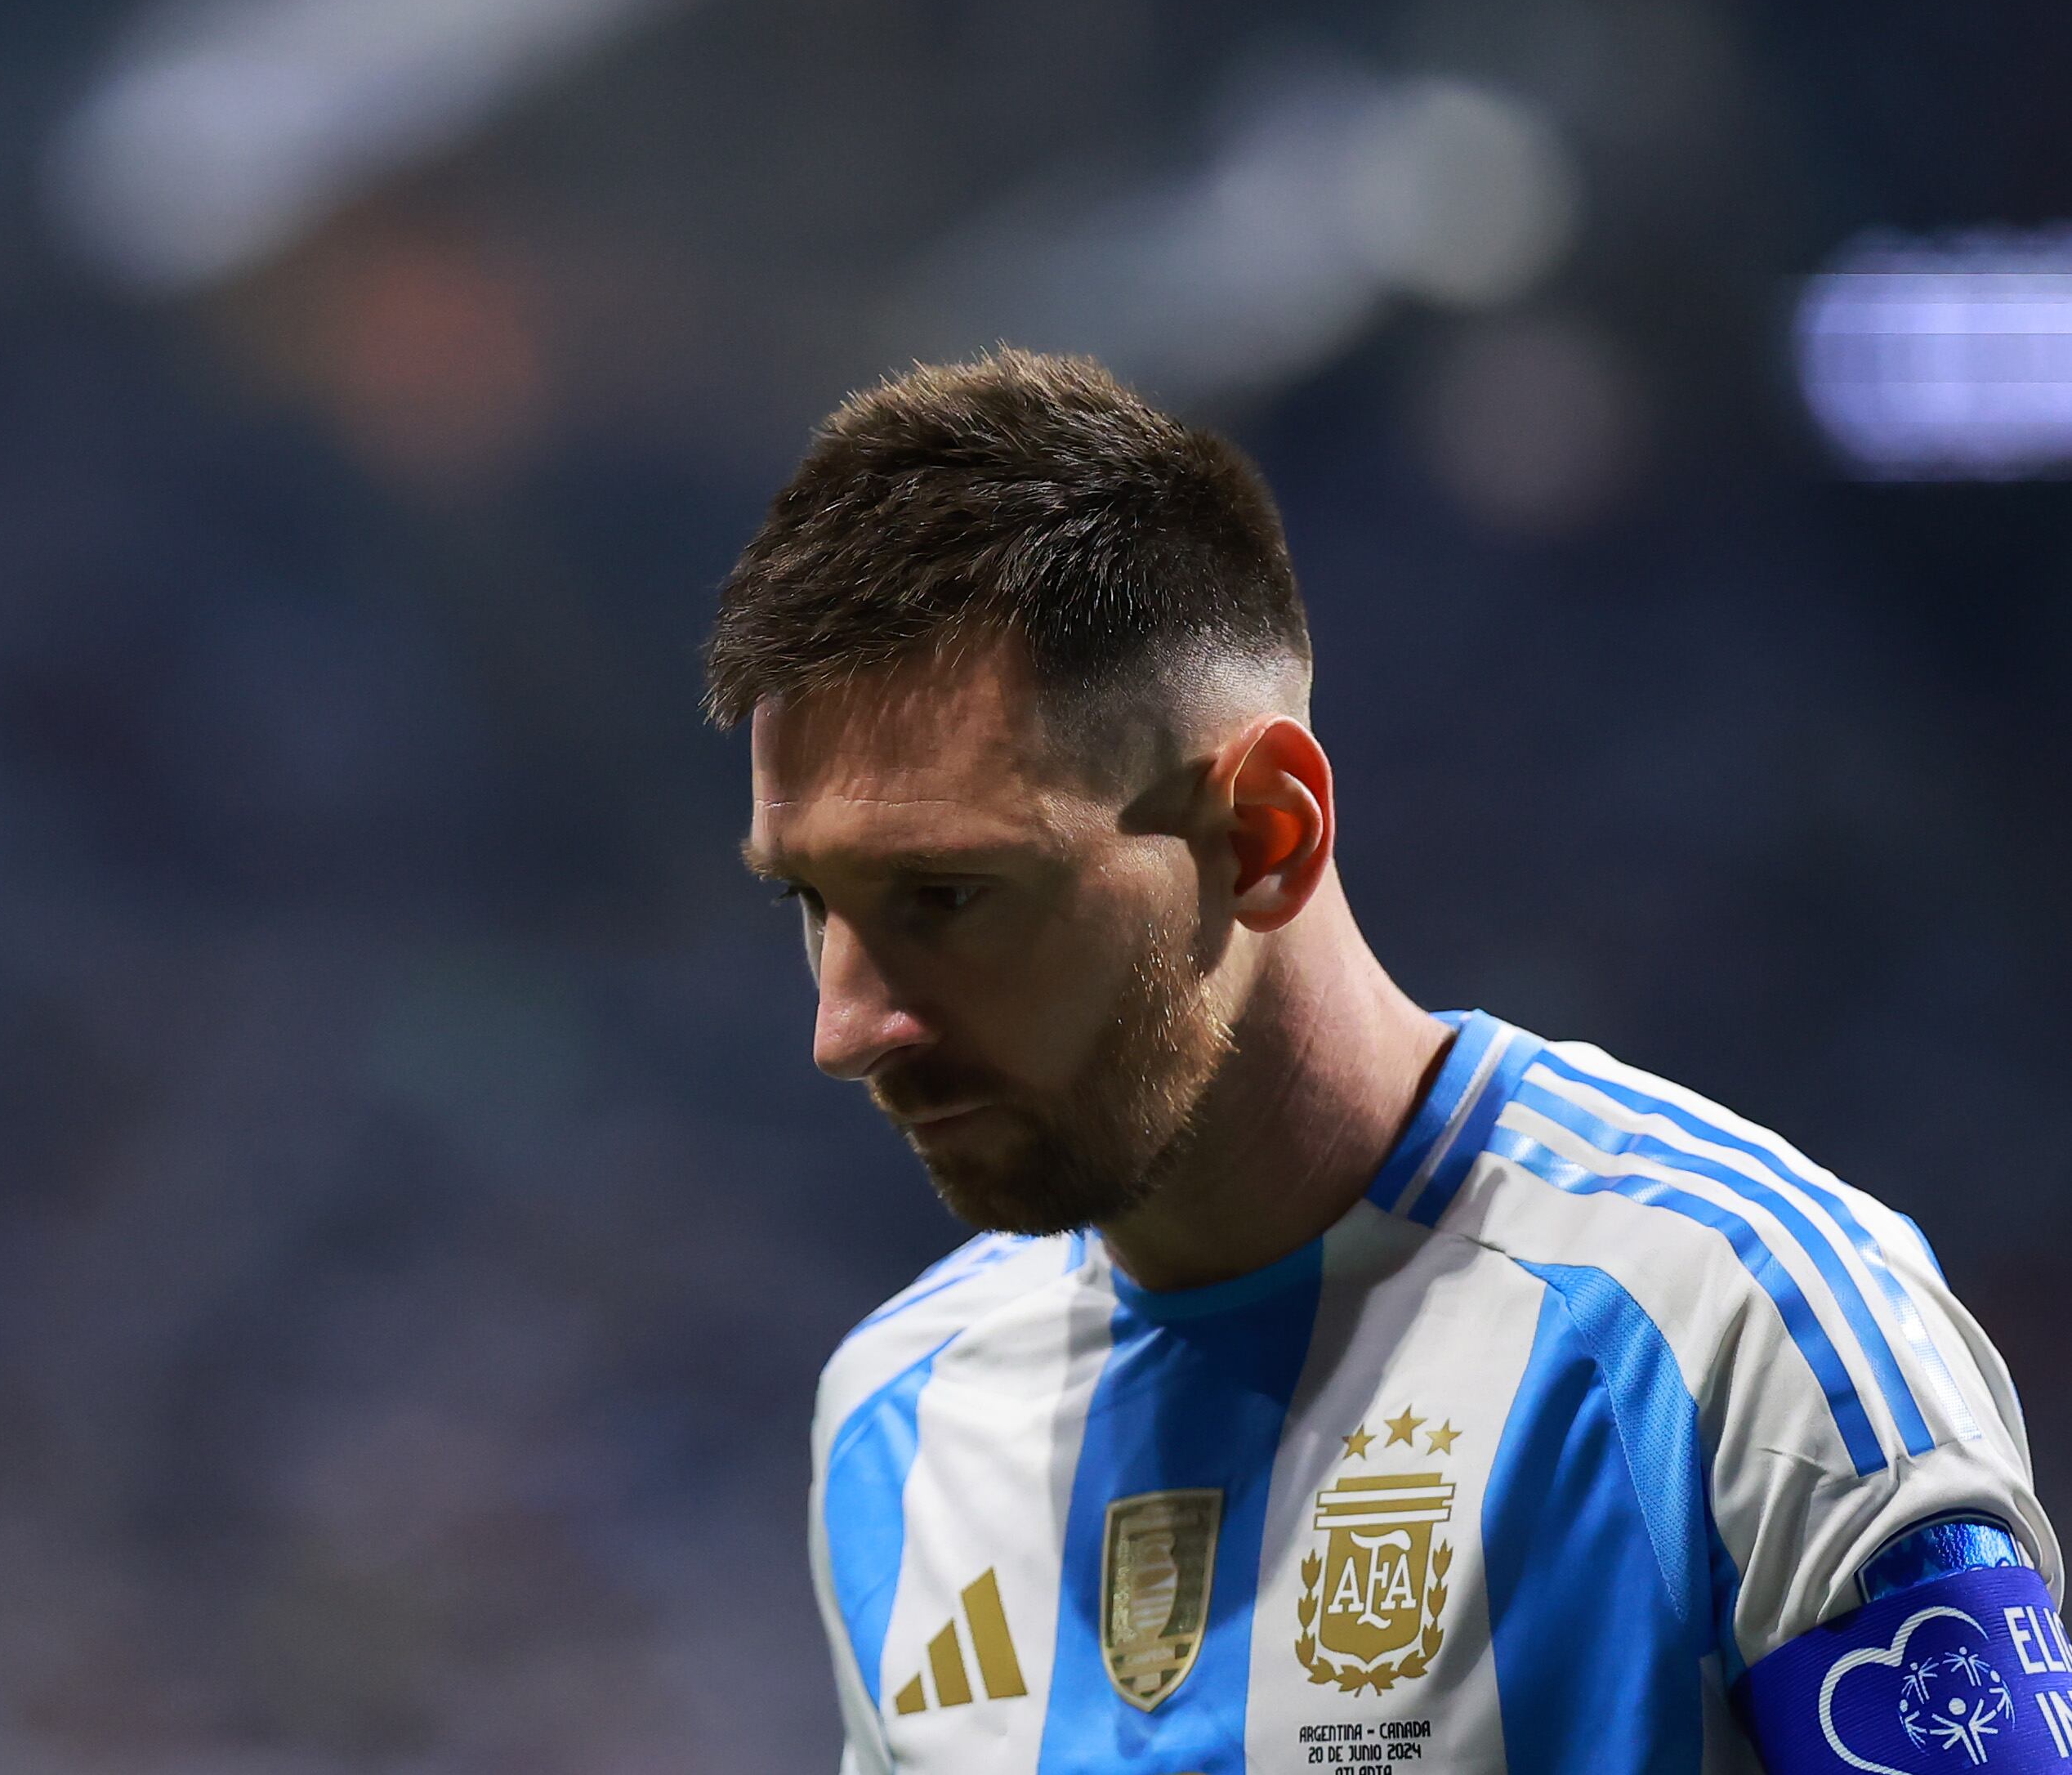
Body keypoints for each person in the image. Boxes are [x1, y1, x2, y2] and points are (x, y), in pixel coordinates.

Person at [704, 350, 2064, 1774]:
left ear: (1264, 835)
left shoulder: (1742, 1336)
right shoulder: (898, 1421)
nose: (843, 1030)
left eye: (944, 897)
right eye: (809, 902)